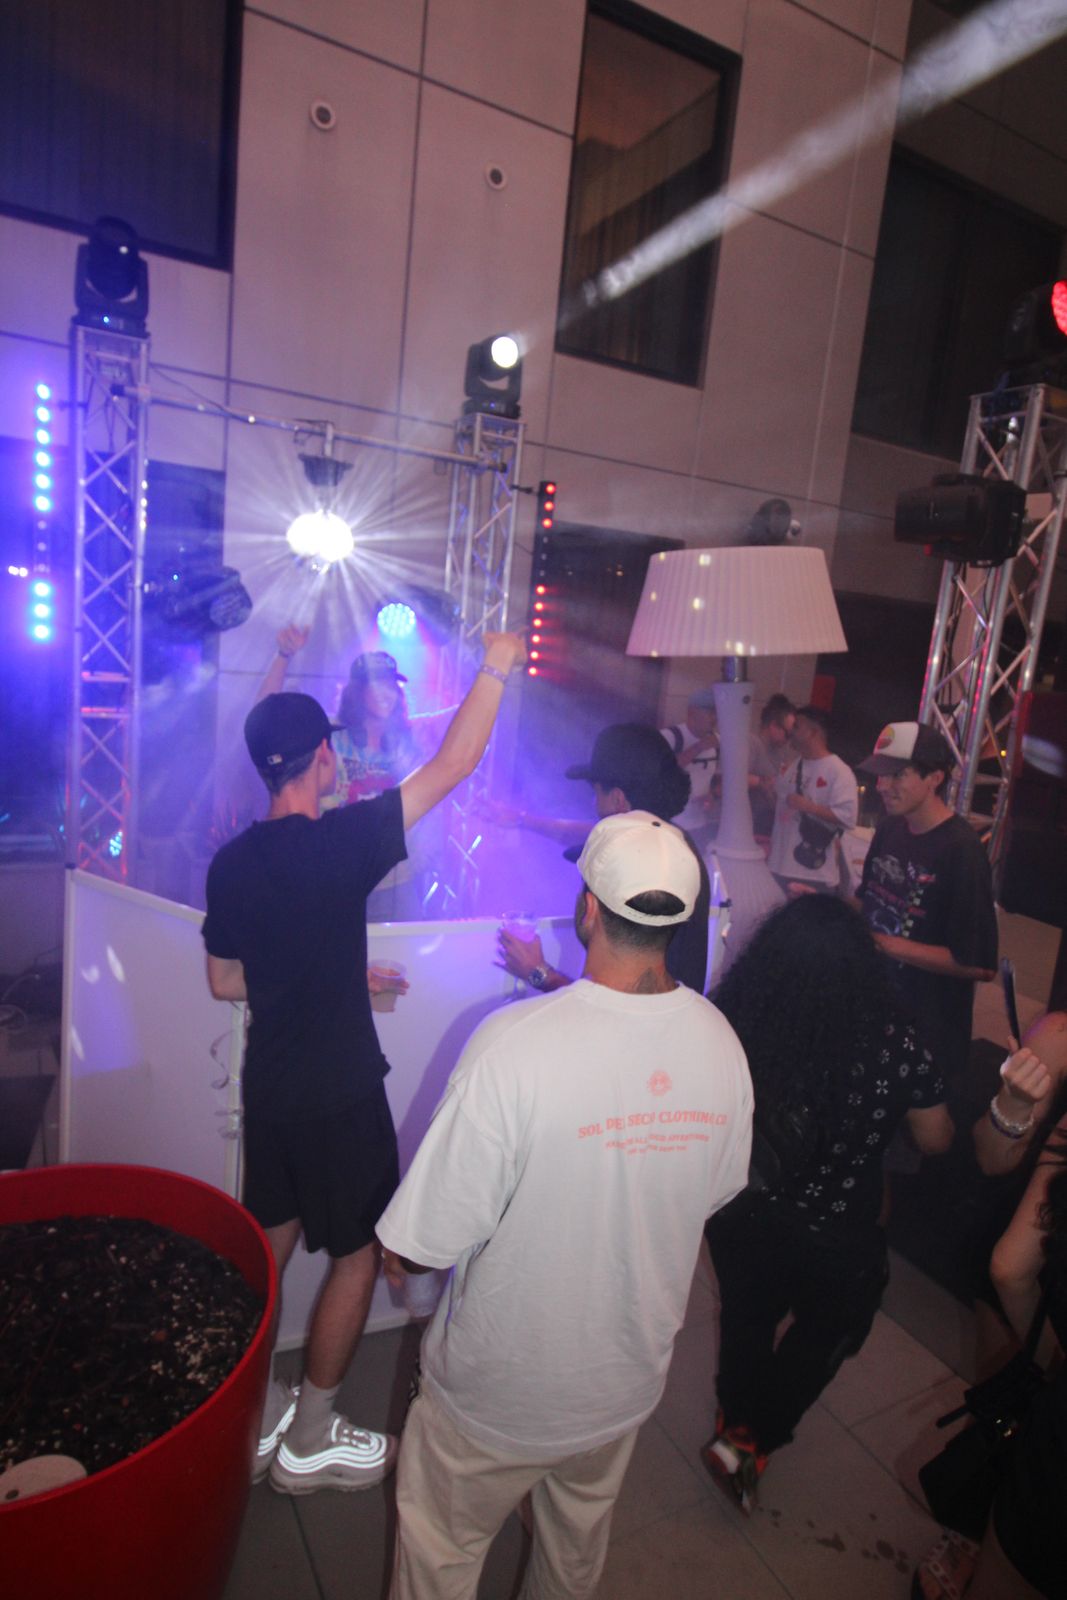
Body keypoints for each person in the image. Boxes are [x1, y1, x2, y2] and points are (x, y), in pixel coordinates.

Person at [376, 811, 753, 1600]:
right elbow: (714, 1191)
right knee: (573, 1556)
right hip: (621, 1383)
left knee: (441, 1556)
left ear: (587, 911)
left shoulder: (512, 1045)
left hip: (497, 1393)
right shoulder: (720, 1042)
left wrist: (403, 1271)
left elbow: (422, 1243)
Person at [202, 631, 526, 1494]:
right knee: (355, 1258)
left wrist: (337, 975)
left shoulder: (231, 863)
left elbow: (226, 980)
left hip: (271, 1091)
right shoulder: (341, 842)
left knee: (264, 1252)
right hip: (340, 1093)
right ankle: (310, 1439)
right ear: (323, 757)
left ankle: (246, 1420)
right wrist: (496, 663)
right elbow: (454, 763)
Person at [701, 896, 954, 1512]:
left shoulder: (735, 1018)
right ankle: (753, 1438)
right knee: (826, 1333)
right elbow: (936, 1138)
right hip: (837, 1227)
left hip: (743, 1211)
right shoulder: (894, 1044)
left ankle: (735, 1421)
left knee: (746, 1319)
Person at [915, 1104, 1067, 1600]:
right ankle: (968, 1533)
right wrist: (1015, 1106)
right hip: (1031, 1253)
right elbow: (989, 1154)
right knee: (1004, 1414)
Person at [494, 722, 712, 994]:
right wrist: (521, 820)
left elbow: (621, 1004)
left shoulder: (636, 872)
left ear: (618, 799)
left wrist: (538, 972)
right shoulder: (670, 845)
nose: (593, 804)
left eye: (596, 793)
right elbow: (582, 834)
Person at [260, 627, 454, 917]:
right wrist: (283, 656)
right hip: (332, 878)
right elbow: (265, 719)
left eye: (391, 686)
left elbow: (460, 724)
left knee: (402, 946)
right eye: (376, 686)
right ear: (356, 692)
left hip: (394, 882)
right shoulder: (328, 734)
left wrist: (496, 669)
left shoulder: (409, 738)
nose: (386, 694)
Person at [856, 721, 998, 1085]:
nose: (881, 785)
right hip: (874, 1008)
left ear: (935, 778)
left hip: (927, 1033)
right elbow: (866, 901)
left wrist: (887, 944)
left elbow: (979, 965)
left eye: (897, 775)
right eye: (881, 775)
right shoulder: (890, 828)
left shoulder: (961, 850)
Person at [766, 704, 858, 895]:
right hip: (778, 865)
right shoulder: (794, 764)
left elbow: (848, 817)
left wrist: (809, 807)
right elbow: (781, 802)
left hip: (813, 873)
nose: (791, 731)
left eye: (797, 726)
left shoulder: (839, 771)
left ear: (813, 732)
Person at [661, 686, 719, 845]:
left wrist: (712, 796)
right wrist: (698, 748)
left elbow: (716, 779)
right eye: (709, 712)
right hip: (669, 824)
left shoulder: (717, 742)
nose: (714, 718)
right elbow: (660, 771)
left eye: (716, 713)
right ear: (692, 712)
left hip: (699, 827)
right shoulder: (670, 736)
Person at [748, 693, 796, 838]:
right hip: (752, 823)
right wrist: (764, 782)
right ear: (774, 726)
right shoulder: (752, 743)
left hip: (769, 822)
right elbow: (734, 777)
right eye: (788, 734)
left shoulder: (782, 751)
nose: (788, 740)